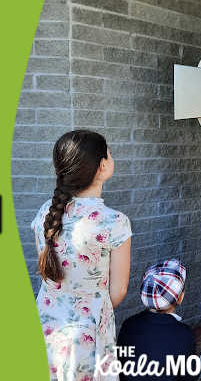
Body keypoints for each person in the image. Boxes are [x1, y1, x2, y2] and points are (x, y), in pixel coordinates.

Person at [32, 130, 133, 381]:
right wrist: (91, 306)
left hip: (46, 323)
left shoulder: (46, 212)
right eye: (109, 153)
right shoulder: (115, 222)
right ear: (102, 167)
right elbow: (118, 290)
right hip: (89, 331)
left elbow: (52, 274)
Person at [116, 259, 196, 381]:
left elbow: (120, 366)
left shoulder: (129, 325)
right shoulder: (184, 334)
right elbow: (189, 377)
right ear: (180, 298)